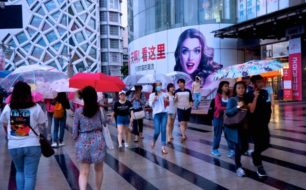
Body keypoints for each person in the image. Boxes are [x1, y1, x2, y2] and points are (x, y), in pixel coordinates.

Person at [0, 81, 46, 190]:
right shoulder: (36, 107)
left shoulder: (8, 108)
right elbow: (43, 124)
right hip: (33, 145)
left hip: (14, 146)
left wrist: (9, 135)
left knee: (19, 172)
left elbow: (4, 123)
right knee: (30, 175)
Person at [72, 86, 106, 190]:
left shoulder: (78, 112)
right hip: (98, 140)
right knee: (99, 169)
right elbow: (104, 122)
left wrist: (76, 139)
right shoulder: (99, 110)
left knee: (84, 172)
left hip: (83, 141)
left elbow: (74, 132)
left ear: (84, 98)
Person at [224, 81, 249, 177]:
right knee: (238, 147)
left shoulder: (247, 98)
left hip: (246, 127)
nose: (241, 89)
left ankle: (236, 155)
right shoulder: (232, 100)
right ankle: (238, 167)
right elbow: (228, 112)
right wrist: (238, 106)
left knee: (245, 147)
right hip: (236, 127)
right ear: (235, 89)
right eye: (239, 88)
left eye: (242, 87)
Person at [248, 75, 270, 177]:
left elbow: (268, 107)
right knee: (258, 145)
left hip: (264, 123)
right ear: (253, 84)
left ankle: (254, 154)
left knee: (266, 143)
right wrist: (255, 96)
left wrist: (267, 120)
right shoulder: (248, 95)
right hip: (254, 125)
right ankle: (259, 167)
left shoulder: (265, 93)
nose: (262, 83)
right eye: (259, 82)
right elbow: (251, 110)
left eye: (262, 81)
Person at [211, 81, 235, 157]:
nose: (227, 87)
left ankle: (231, 149)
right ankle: (215, 149)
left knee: (228, 134)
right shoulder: (218, 96)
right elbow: (218, 107)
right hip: (218, 118)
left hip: (227, 118)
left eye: (228, 86)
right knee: (217, 134)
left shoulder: (230, 97)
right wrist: (228, 108)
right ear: (221, 87)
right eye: (225, 86)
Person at [149, 81, 169, 154]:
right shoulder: (152, 95)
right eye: (157, 85)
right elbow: (150, 105)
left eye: (160, 85)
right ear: (155, 87)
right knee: (157, 131)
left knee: (163, 130)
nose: (159, 87)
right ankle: (154, 140)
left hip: (164, 114)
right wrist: (154, 100)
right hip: (156, 115)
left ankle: (163, 147)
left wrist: (167, 101)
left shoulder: (165, 94)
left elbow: (168, 104)